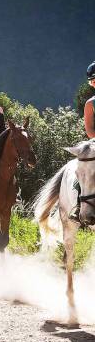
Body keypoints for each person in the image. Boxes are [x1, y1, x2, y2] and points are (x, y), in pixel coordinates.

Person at [69, 61, 95, 222]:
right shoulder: (90, 103)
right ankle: (79, 205)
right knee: (84, 166)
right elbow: (90, 130)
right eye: (93, 80)